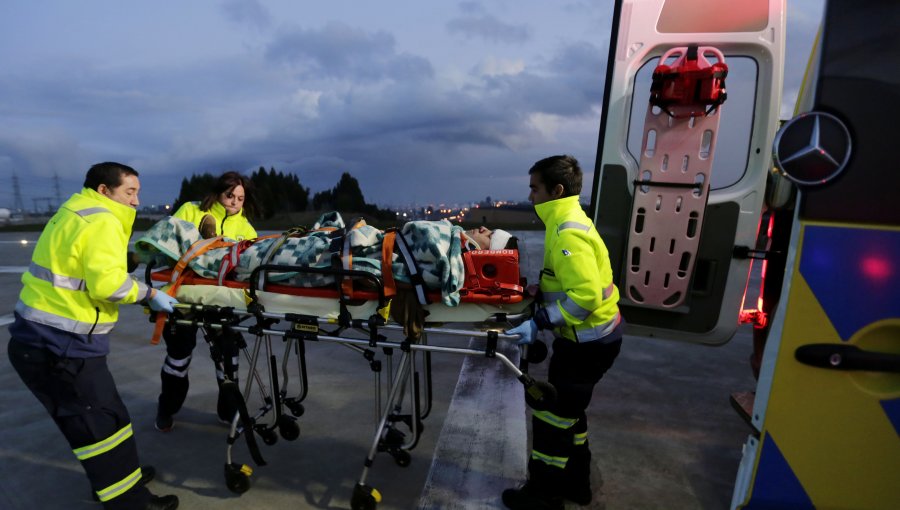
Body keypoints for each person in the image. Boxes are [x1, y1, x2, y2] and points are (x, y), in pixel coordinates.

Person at [7, 162, 180, 510]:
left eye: (138, 193)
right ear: (104, 190)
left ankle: (115, 479)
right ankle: (129, 502)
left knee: (88, 427)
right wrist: (149, 294)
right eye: (129, 192)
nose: (135, 201)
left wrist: (129, 258)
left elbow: (78, 262)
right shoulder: (103, 219)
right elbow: (107, 285)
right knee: (104, 426)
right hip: (62, 347)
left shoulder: (73, 211)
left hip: (35, 341)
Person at [503, 155, 623, 510]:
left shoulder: (568, 231)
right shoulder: (570, 222)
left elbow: (584, 296)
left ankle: (543, 496)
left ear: (555, 190)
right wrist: (541, 290)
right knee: (572, 415)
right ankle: (576, 485)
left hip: (587, 344)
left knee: (551, 419)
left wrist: (539, 322)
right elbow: (572, 281)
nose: (530, 197)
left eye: (534, 188)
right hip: (596, 340)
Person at [155, 171, 258, 432]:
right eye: (230, 195)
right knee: (179, 358)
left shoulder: (244, 226)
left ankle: (229, 412)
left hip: (221, 299)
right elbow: (167, 241)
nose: (235, 202)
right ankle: (166, 409)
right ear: (218, 192)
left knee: (228, 358)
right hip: (183, 296)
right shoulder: (190, 210)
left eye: (240, 198)